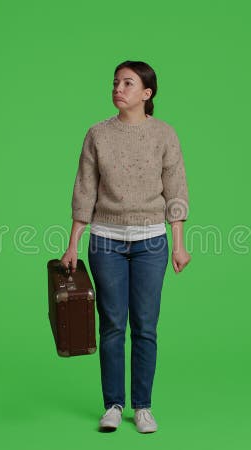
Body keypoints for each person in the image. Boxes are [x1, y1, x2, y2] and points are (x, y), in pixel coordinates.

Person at [61, 60, 191, 434]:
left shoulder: (165, 135)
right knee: (113, 324)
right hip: (105, 242)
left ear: (147, 94)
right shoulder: (97, 134)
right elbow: (84, 191)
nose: (118, 88)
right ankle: (113, 405)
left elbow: (176, 192)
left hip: (151, 241)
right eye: (115, 82)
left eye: (128, 83)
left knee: (146, 326)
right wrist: (73, 244)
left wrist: (179, 243)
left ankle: (143, 405)